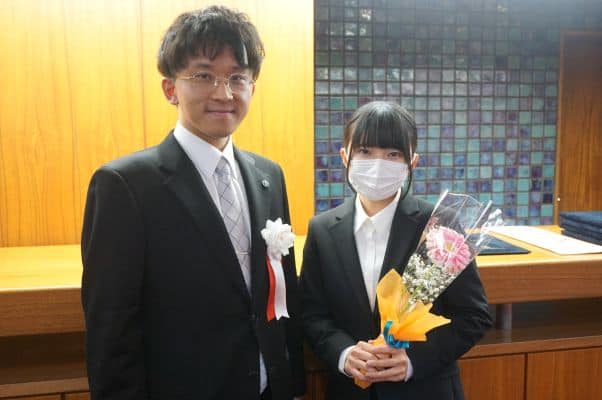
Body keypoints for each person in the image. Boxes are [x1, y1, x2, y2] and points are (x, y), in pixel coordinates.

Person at [81, 6, 305, 400]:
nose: (224, 93)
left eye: (237, 77)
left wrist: (294, 385)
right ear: (171, 89)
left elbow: (282, 298)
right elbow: (111, 329)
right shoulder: (125, 185)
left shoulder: (269, 176)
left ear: (252, 87)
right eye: (203, 76)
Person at [299, 101, 492, 400]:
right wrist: (344, 353)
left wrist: (414, 360)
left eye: (392, 154)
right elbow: (311, 314)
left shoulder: (440, 225)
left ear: (412, 162)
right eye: (365, 151)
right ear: (345, 157)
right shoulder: (322, 230)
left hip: (426, 390)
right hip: (350, 392)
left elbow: (473, 316)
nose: (378, 164)